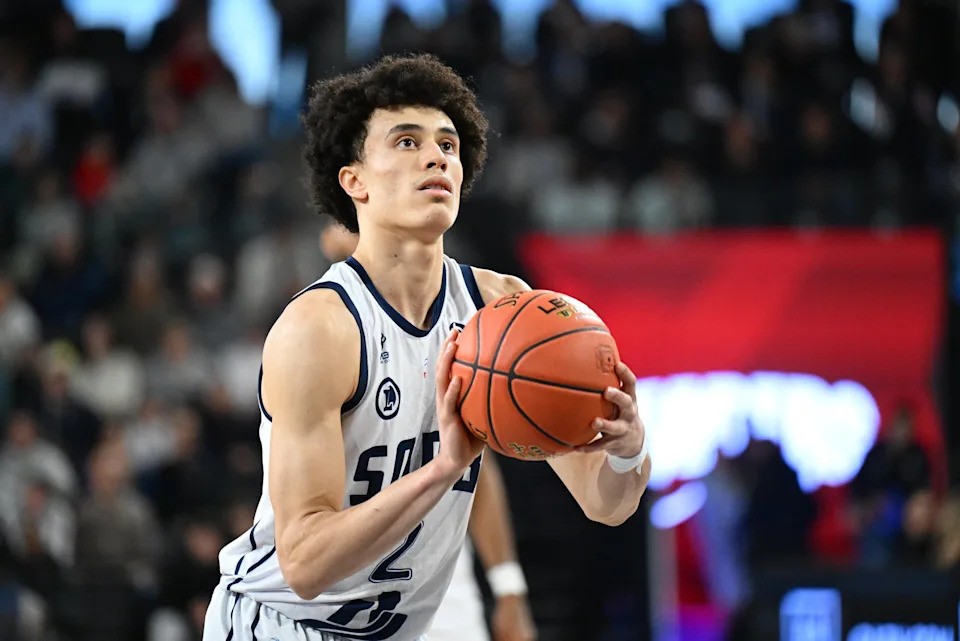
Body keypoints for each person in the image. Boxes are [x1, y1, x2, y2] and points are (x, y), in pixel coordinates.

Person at [203, 53, 650, 641]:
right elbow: (306, 564)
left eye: (448, 144)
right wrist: (443, 469)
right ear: (354, 181)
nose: (437, 155)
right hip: (280, 626)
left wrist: (627, 450)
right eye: (407, 142)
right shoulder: (318, 329)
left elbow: (605, 504)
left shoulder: (504, 310)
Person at [318, 222, 537, 641]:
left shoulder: (461, 330)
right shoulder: (323, 332)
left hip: (438, 578)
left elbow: (480, 476)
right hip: (344, 586)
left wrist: (509, 588)